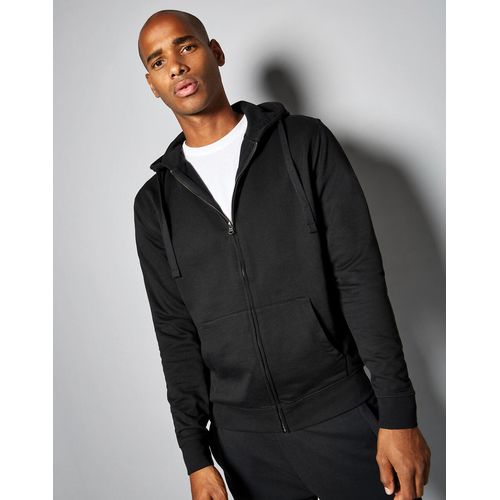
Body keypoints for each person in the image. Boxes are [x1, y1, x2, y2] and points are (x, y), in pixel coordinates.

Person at [134, 9, 431, 500]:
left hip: (340, 415)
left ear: (215, 52)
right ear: (152, 84)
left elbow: (359, 278)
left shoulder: (305, 143)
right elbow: (175, 331)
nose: (177, 66)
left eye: (187, 46)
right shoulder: (154, 204)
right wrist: (195, 457)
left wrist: (398, 414)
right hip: (245, 446)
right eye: (158, 60)